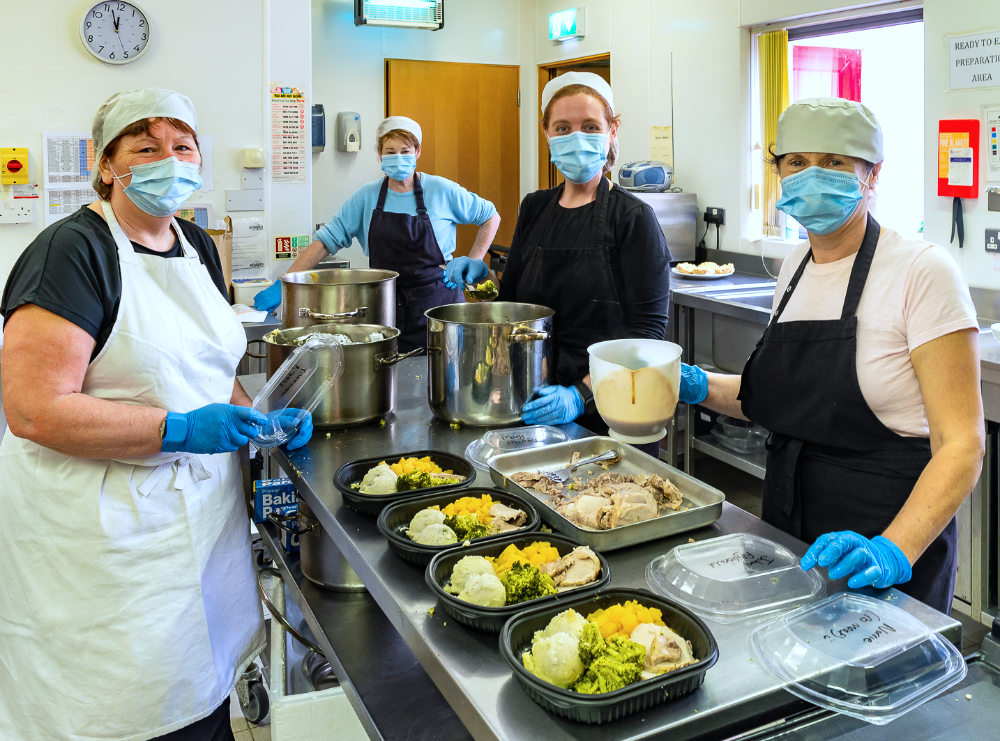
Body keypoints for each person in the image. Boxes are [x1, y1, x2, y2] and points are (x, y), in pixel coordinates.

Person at [0, 87, 312, 740]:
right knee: (125, 712)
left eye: (183, 145)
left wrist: (257, 417)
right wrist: (179, 428)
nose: (169, 158)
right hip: (105, 544)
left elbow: (204, 367)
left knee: (201, 696)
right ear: (107, 164)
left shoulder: (196, 243)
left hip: (198, 529)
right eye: (146, 148)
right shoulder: (72, 252)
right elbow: (32, 409)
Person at [679, 98, 984, 613]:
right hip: (787, 528)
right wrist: (699, 385)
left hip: (880, 537)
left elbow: (962, 443)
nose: (811, 175)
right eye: (796, 162)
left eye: (835, 161)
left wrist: (894, 549)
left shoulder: (922, 270)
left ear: (872, 174)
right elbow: (788, 403)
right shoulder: (795, 264)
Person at [468, 72, 670, 437]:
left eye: (590, 126)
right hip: (534, 403)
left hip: (613, 413)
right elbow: (512, 305)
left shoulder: (634, 219)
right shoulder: (534, 208)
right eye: (563, 128)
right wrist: (483, 280)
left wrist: (581, 394)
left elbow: (648, 335)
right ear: (546, 133)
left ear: (612, 130)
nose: (576, 138)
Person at [253, 115, 501, 351]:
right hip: (383, 307)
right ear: (379, 154)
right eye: (390, 152)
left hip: (438, 307)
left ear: (418, 152)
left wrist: (474, 259)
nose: (398, 157)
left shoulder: (441, 190)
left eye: (405, 151)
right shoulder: (366, 196)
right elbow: (324, 241)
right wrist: (285, 283)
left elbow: (490, 216)